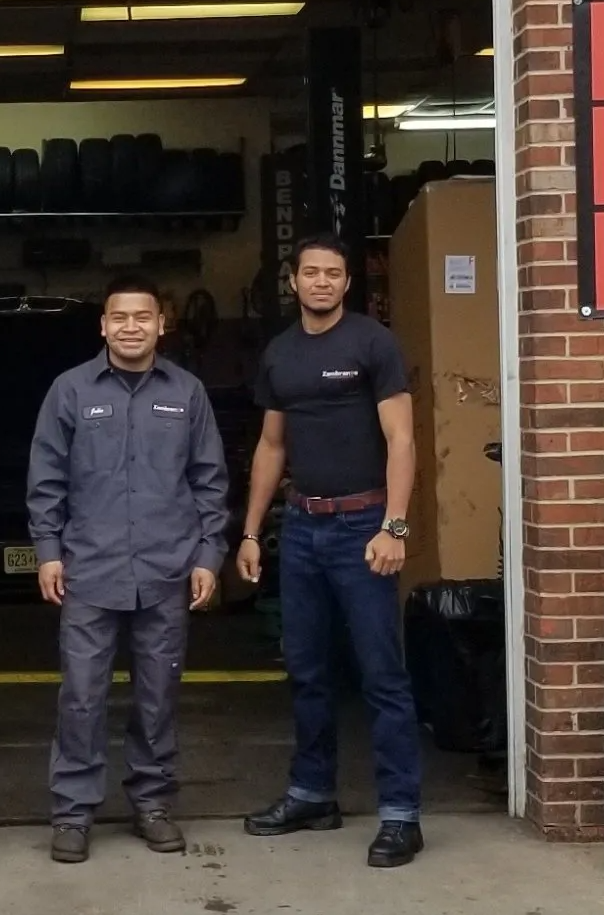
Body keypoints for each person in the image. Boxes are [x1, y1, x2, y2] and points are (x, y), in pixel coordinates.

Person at [26, 274, 230, 863]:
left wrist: (208, 556)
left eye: (143, 317)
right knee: (82, 698)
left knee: (158, 695)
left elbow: (209, 481)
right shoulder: (69, 391)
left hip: (168, 572)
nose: (132, 327)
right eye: (120, 317)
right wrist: (48, 552)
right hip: (90, 571)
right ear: (103, 325)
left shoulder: (187, 393)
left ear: (161, 324)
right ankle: (72, 813)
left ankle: (153, 803)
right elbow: (46, 480)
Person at [236, 233, 423, 868]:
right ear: (293, 281)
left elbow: (401, 440)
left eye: (333, 274)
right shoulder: (279, 354)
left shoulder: (373, 343)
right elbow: (271, 448)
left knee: (380, 673)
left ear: (347, 283)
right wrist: (253, 532)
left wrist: (394, 528)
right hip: (303, 529)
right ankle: (313, 792)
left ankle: (401, 813)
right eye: (310, 272)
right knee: (307, 670)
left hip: (363, 525)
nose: (321, 282)